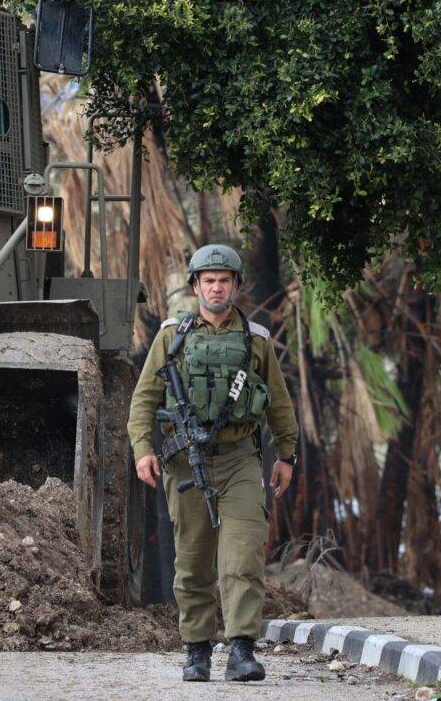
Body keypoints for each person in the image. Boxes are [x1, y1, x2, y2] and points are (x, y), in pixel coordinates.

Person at [127, 244, 299, 682]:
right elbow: (145, 398)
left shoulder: (255, 339)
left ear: (236, 285)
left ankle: (242, 649)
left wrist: (286, 454)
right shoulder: (171, 336)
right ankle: (197, 651)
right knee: (193, 560)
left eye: (224, 280)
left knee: (242, 557)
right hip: (185, 461)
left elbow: (278, 403)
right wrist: (143, 449)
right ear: (195, 286)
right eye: (209, 280)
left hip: (241, 459)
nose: (216, 287)